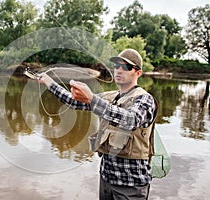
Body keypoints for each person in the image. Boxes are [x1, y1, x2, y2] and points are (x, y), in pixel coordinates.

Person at [36, 49, 157, 200]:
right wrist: (48, 81)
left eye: (126, 67)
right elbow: (73, 102)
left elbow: (130, 120)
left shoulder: (145, 99)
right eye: (116, 66)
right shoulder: (109, 97)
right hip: (106, 181)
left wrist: (92, 99)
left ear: (138, 73)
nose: (119, 70)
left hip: (131, 187)